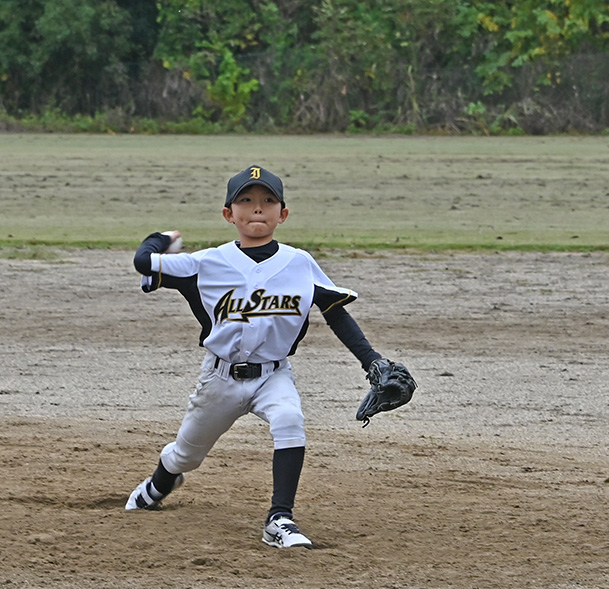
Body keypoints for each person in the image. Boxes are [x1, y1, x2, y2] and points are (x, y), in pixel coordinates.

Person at [125, 165, 402, 548]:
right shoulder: (205, 263)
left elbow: (334, 309)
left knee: (290, 419)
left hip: (274, 374)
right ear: (229, 214)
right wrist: (161, 238)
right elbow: (144, 263)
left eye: (268, 201)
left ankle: (280, 518)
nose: (258, 209)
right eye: (246, 200)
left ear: (282, 214)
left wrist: (371, 359)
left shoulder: (299, 263)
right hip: (219, 379)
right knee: (185, 456)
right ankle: (158, 485)